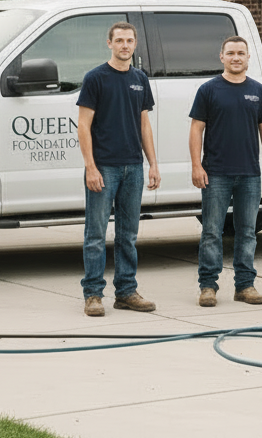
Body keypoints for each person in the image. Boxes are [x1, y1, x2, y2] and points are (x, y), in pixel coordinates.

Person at [77, 21, 160, 317]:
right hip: (104, 168)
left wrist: (152, 163)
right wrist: (90, 167)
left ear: (135, 44)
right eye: (119, 40)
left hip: (133, 168)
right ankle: (93, 294)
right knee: (96, 234)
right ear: (109, 43)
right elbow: (83, 126)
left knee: (128, 234)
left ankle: (126, 292)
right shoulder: (95, 78)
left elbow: (144, 124)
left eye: (129, 40)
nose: (125, 45)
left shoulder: (140, 79)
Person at [190, 36, 262, 307]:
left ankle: (245, 285)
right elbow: (196, 129)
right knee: (212, 231)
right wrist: (196, 165)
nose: (236, 57)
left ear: (248, 57)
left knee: (247, 231)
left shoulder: (258, 91)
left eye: (241, 53)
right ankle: (208, 286)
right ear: (222, 57)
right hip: (215, 173)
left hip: (250, 173)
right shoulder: (209, 90)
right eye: (231, 53)